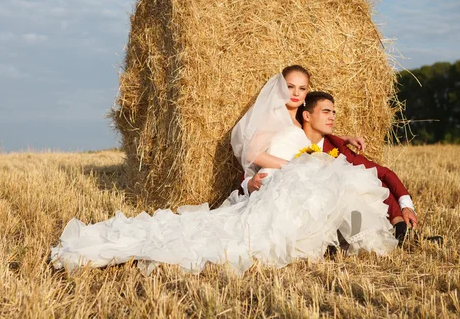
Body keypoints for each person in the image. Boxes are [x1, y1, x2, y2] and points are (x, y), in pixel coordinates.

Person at [51, 69, 397, 276]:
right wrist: (282, 170)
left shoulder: (304, 121)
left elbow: (320, 135)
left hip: (291, 178)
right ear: (279, 88)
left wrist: (342, 139)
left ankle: (356, 236)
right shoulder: (275, 121)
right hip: (265, 182)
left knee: (339, 184)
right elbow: (255, 156)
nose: (295, 94)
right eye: (290, 87)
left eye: (302, 89)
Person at [296, 91, 416, 243]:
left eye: (333, 112)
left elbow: (383, 173)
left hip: (335, 209)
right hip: (302, 211)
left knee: (370, 179)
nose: (332, 117)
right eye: (326, 112)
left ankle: (401, 229)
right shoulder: (289, 140)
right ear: (307, 116)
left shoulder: (336, 145)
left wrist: (406, 206)